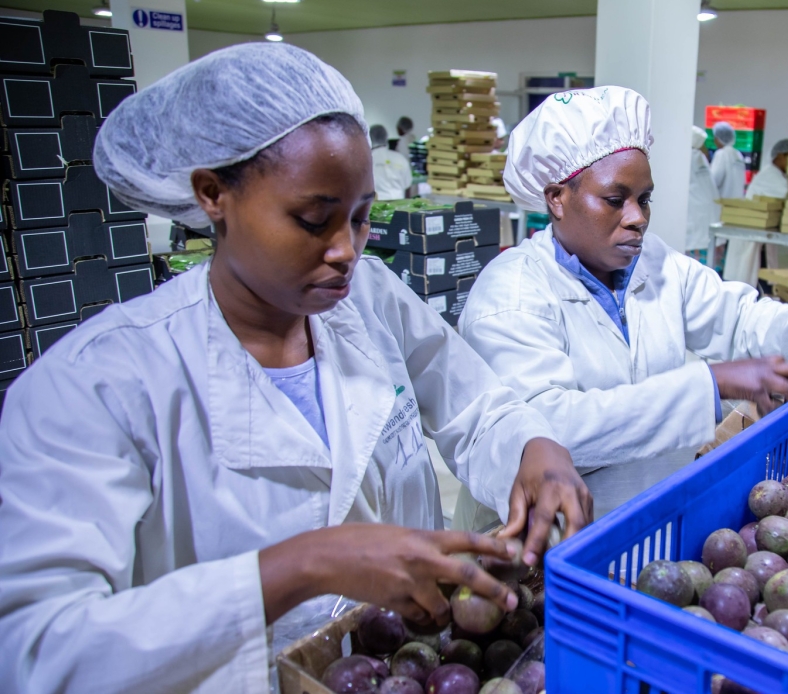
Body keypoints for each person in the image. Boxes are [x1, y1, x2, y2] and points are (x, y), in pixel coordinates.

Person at [0, 44, 593, 693]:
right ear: (212, 193)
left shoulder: (369, 298)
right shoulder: (97, 385)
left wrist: (532, 445)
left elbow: (476, 408)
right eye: (313, 220)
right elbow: (37, 650)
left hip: (399, 666)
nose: (345, 250)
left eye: (361, 217)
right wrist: (297, 567)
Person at [454, 86, 788, 521]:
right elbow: (546, 427)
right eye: (615, 200)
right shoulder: (511, 293)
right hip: (547, 539)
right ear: (556, 198)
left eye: (644, 199)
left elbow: (736, 315)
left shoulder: (656, 263)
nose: (638, 217)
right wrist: (708, 384)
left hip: (643, 519)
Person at [723, 138, 788, 286]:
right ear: (780, 156)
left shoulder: (779, 175)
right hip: (750, 234)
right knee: (747, 281)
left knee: (761, 279)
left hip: (761, 236)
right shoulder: (770, 176)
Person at [686, 125, 720, 263]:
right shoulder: (692, 157)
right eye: (704, 145)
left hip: (700, 223)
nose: (707, 149)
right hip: (701, 221)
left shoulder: (695, 157)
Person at [369, 123, 413, 200]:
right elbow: (408, 186)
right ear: (386, 137)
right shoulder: (400, 158)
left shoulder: (368, 160)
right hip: (399, 204)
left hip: (377, 206)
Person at [710, 120, 746, 200]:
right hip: (736, 204)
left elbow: (714, 180)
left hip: (722, 204)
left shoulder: (721, 153)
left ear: (718, 139)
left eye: (715, 137)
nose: (714, 140)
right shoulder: (738, 154)